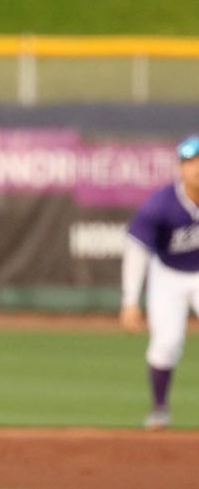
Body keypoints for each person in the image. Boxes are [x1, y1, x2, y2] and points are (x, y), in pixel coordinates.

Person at [120, 133, 199, 430]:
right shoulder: (161, 204)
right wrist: (130, 301)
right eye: (190, 162)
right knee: (166, 344)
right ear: (180, 168)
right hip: (168, 275)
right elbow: (137, 250)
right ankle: (159, 408)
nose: (196, 168)